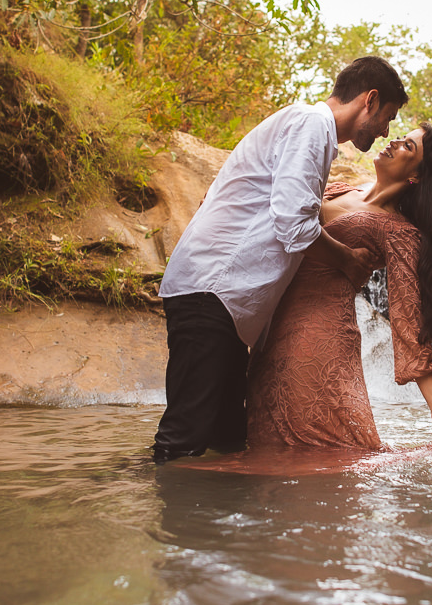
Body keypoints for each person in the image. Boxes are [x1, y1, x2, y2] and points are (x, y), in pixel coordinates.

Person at [153, 56, 409, 463]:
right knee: (184, 438)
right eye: (388, 118)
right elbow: (293, 223)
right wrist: (346, 259)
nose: (385, 132)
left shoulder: (311, 132)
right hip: (212, 290)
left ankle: (207, 526)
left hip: (227, 306)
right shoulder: (311, 125)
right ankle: (123, 500)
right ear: (370, 100)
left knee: (229, 439)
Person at [245, 122, 432, 451]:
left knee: (316, 442)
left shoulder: (398, 231)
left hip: (319, 334)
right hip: (272, 326)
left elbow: (407, 318)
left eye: (408, 147)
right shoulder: (341, 189)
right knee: (264, 434)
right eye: (401, 138)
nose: (395, 143)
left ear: (417, 176)